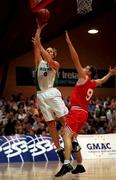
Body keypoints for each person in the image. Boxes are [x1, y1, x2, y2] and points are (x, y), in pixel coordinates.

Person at [55, 31, 116, 177]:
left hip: (76, 112)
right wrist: (110, 74)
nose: (83, 68)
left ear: (88, 72)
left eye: (85, 67)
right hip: (83, 113)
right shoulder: (93, 83)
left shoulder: (84, 77)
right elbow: (101, 80)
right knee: (73, 138)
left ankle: (66, 163)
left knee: (66, 135)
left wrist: (69, 44)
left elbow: (75, 59)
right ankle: (80, 165)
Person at [32, 25, 82, 163]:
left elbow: (41, 50)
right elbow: (37, 48)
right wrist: (39, 29)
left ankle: (74, 141)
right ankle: (59, 149)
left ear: (53, 55)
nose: (47, 52)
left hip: (52, 93)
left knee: (63, 119)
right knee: (50, 124)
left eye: (50, 51)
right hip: (41, 95)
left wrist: (40, 44)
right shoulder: (38, 63)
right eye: (47, 50)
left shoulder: (55, 64)